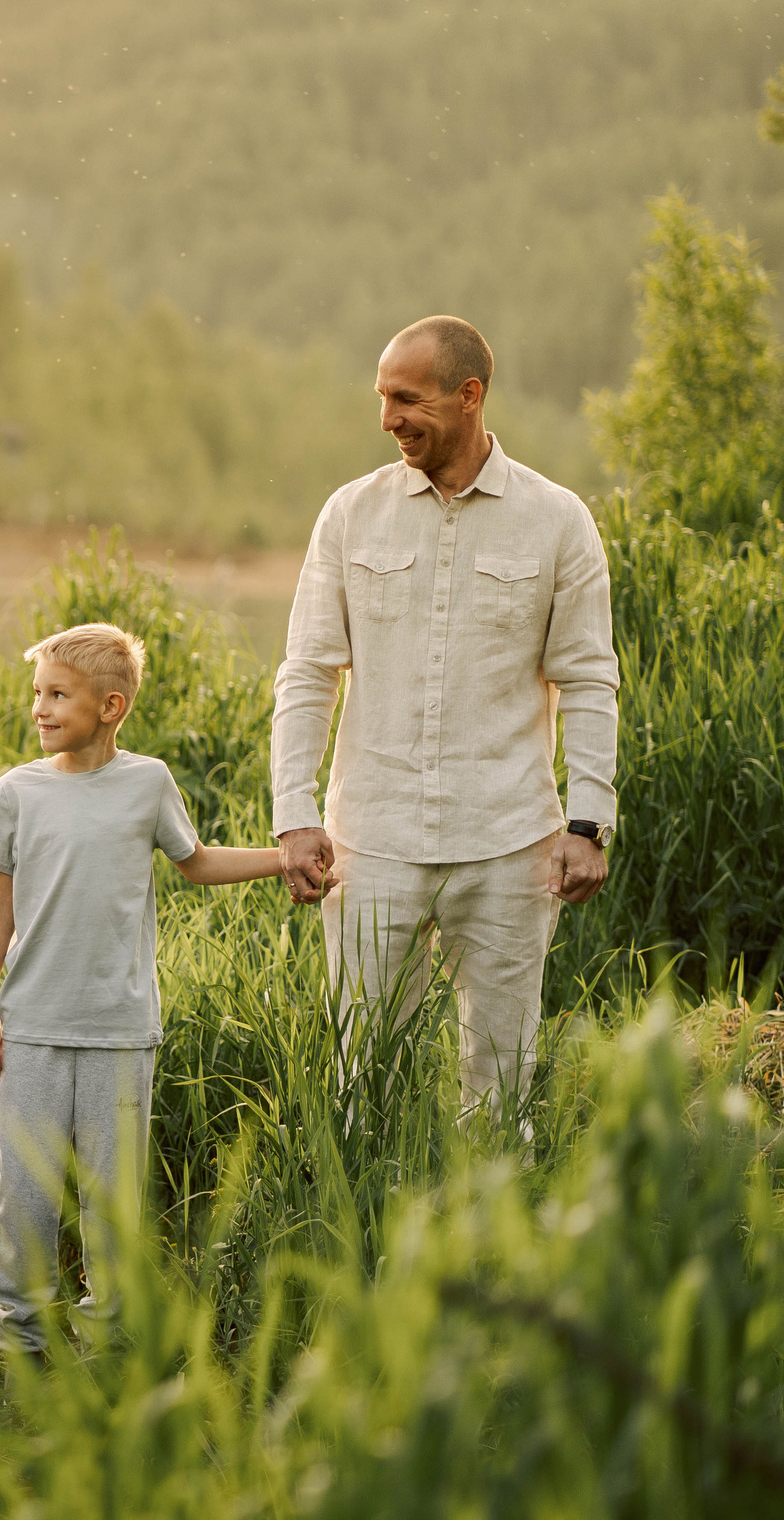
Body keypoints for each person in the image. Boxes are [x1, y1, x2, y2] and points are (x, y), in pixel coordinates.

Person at [270, 315, 619, 1123]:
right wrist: (293, 812)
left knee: (501, 1084)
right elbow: (309, 671)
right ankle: (365, 1238)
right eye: (382, 396)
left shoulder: (558, 520)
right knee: (363, 1086)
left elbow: (590, 679)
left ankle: (491, 1240)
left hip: (507, 842)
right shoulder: (350, 514)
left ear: (470, 397)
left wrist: (589, 821)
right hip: (371, 839)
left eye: (406, 398)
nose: (387, 417)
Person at [0, 623, 283, 1354]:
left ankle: (104, 1354)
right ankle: (24, 1353)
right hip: (32, 1028)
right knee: (26, 1203)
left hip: (118, 1030)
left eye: (57, 695)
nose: (39, 709)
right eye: (37, 694)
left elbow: (196, 862)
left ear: (110, 705)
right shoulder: (18, 790)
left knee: (112, 1208)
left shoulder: (148, 782)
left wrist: (284, 857)